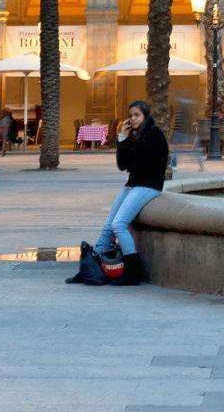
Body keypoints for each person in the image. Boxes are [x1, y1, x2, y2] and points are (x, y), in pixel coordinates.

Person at [73, 100, 171, 286]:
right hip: (133, 184)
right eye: (131, 115)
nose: (133, 119)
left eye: (137, 115)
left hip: (149, 185)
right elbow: (122, 165)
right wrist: (122, 139)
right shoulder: (134, 135)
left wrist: (129, 149)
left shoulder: (154, 135)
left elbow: (141, 165)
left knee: (119, 224)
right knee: (108, 224)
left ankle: (132, 272)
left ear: (145, 116)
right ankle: (92, 267)